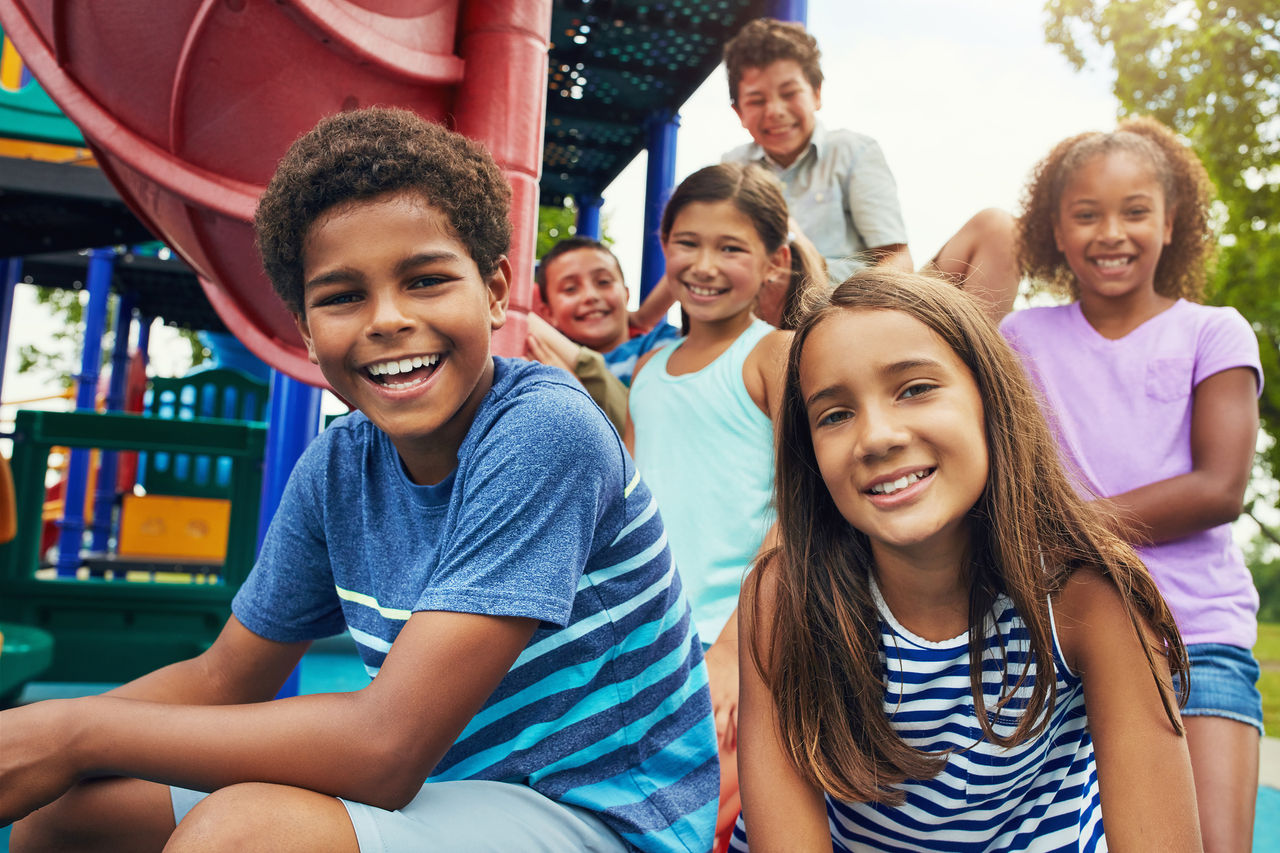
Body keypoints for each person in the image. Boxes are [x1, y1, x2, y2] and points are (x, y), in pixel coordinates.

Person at [0, 108, 718, 853]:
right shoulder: (338, 466)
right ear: (308, 332)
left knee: (243, 836)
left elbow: (386, 749)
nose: (387, 319)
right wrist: (35, 747)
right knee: (69, 814)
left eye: (427, 279)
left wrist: (74, 730)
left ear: (497, 290)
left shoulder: (543, 430)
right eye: (343, 296)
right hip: (457, 793)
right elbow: (224, 677)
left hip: (609, 818)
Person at [733, 269, 1199, 851]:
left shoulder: (1089, 594)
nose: (876, 437)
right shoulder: (785, 598)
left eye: (915, 388)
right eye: (835, 414)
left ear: (990, 399)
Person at [1002, 115, 1263, 852]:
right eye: (1086, 214)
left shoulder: (1215, 332)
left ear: (1171, 221)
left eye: (1135, 210)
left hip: (1198, 631)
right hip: (1068, 638)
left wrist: (1067, 526)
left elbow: (1218, 487)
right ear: (1054, 229)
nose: (1110, 232)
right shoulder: (1023, 340)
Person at [624, 161, 823, 850]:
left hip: (737, 647)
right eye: (688, 242)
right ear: (663, 243)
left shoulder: (775, 355)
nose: (704, 264)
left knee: (703, 828)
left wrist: (735, 648)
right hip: (646, 645)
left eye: (731, 248)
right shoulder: (649, 370)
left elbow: (800, 509)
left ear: (774, 262)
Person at [719, 18, 1020, 319]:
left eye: (789, 93)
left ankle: (972, 357)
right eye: (757, 100)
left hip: (865, 305)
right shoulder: (732, 170)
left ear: (816, 93)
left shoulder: (853, 152)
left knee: (997, 227)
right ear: (739, 113)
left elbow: (896, 258)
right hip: (775, 316)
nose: (775, 111)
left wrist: (859, 311)